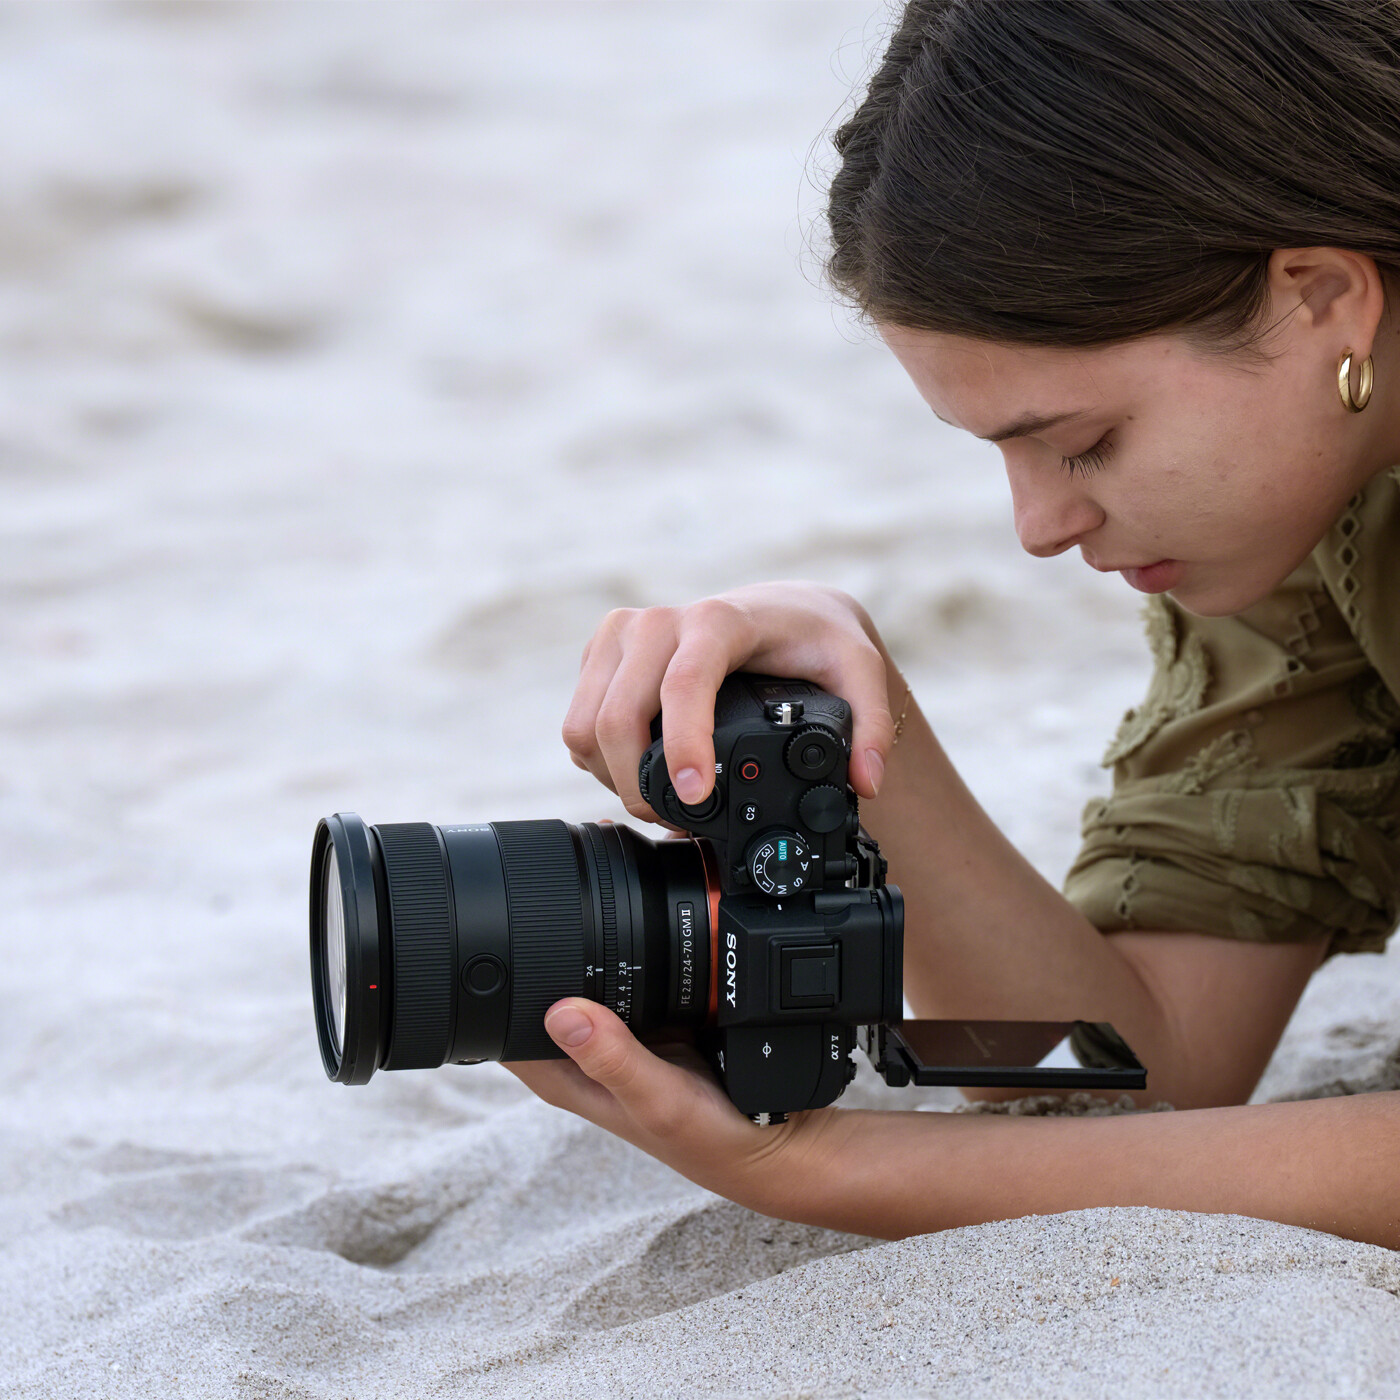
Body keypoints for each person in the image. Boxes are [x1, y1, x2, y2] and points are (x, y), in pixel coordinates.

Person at [506, 0, 1400, 1249]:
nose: (1037, 526)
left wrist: (847, 1172)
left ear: (1321, 299)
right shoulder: (1307, 504)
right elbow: (1127, 1069)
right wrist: (857, 726)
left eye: (1083, 440)